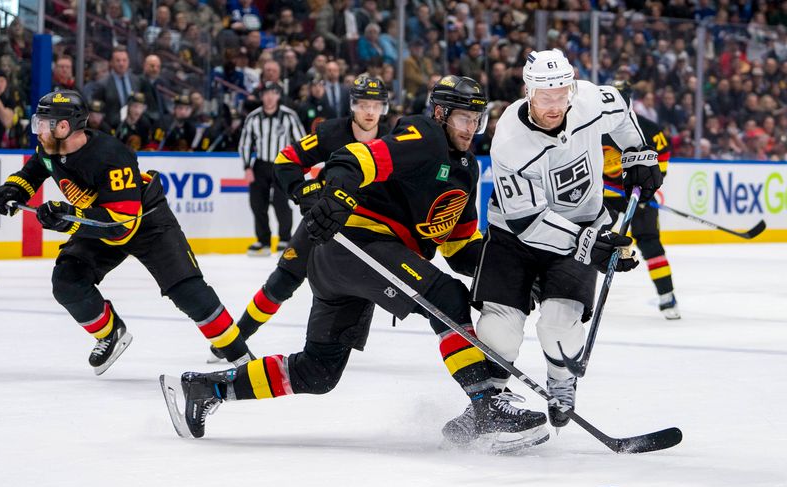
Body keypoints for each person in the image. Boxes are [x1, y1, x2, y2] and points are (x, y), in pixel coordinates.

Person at [163, 75, 549, 452]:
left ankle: (208, 388)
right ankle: (484, 406)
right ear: (440, 113)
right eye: (464, 118)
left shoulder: (467, 170)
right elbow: (354, 158)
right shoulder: (424, 136)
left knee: (318, 372)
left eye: (477, 120)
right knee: (445, 295)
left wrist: (510, 270)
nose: (472, 128)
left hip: (350, 260)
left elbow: (460, 246)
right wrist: (337, 198)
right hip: (357, 244)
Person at [441, 50, 662, 443]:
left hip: (583, 224)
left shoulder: (590, 99)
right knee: (500, 331)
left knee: (560, 327)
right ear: (528, 92)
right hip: (515, 236)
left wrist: (637, 155)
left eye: (562, 93)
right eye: (545, 96)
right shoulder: (510, 139)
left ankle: (562, 382)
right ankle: (488, 407)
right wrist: (589, 245)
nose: (555, 105)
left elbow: (624, 116)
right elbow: (528, 223)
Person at [0, 90, 253, 375]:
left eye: (43, 123)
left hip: (146, 223)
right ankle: (110, 333)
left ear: (63, 127)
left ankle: (242, 357)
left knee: (189, 292)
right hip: (100, 218)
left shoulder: (110, 157)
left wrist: (68, 217)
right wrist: (14, 188)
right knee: (67, 280)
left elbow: (122, 226)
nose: (37, 130)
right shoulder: (49, 148)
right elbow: (35, 170)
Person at [207, 75, 391, 363]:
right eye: (364, 104)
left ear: (384, 109)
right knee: (282, 281)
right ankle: (238, 337)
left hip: (367, 229)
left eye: (376, 105)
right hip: (323, 220)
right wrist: (304, 192)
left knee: (376, 289)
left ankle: (336, 348)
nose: (370, 112)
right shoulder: (331, 132)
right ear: (353, 105)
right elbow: (287, 159)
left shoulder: (394, 139)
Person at [603, 80, 679, 319]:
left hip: (638, 194)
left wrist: (648, 188)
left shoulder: (648, 128)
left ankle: (667, 297)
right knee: (584, 240)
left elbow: (663, 157)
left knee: (649, 242)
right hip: (604, 196)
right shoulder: (593, 127)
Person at [238, 81, 306, 256]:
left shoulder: (289, 116)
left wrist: (299, 165)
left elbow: (301, 142)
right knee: (257, 203)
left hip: (282, 164)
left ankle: (285, 239)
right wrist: (247, 166)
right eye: (266, 93)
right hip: (260, 164)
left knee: (280, 202)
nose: (269, 97)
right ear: (261, 96)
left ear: (278, 96)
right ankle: (264, 240)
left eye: (273, 93)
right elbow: (245, 143)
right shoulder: (253, 117)